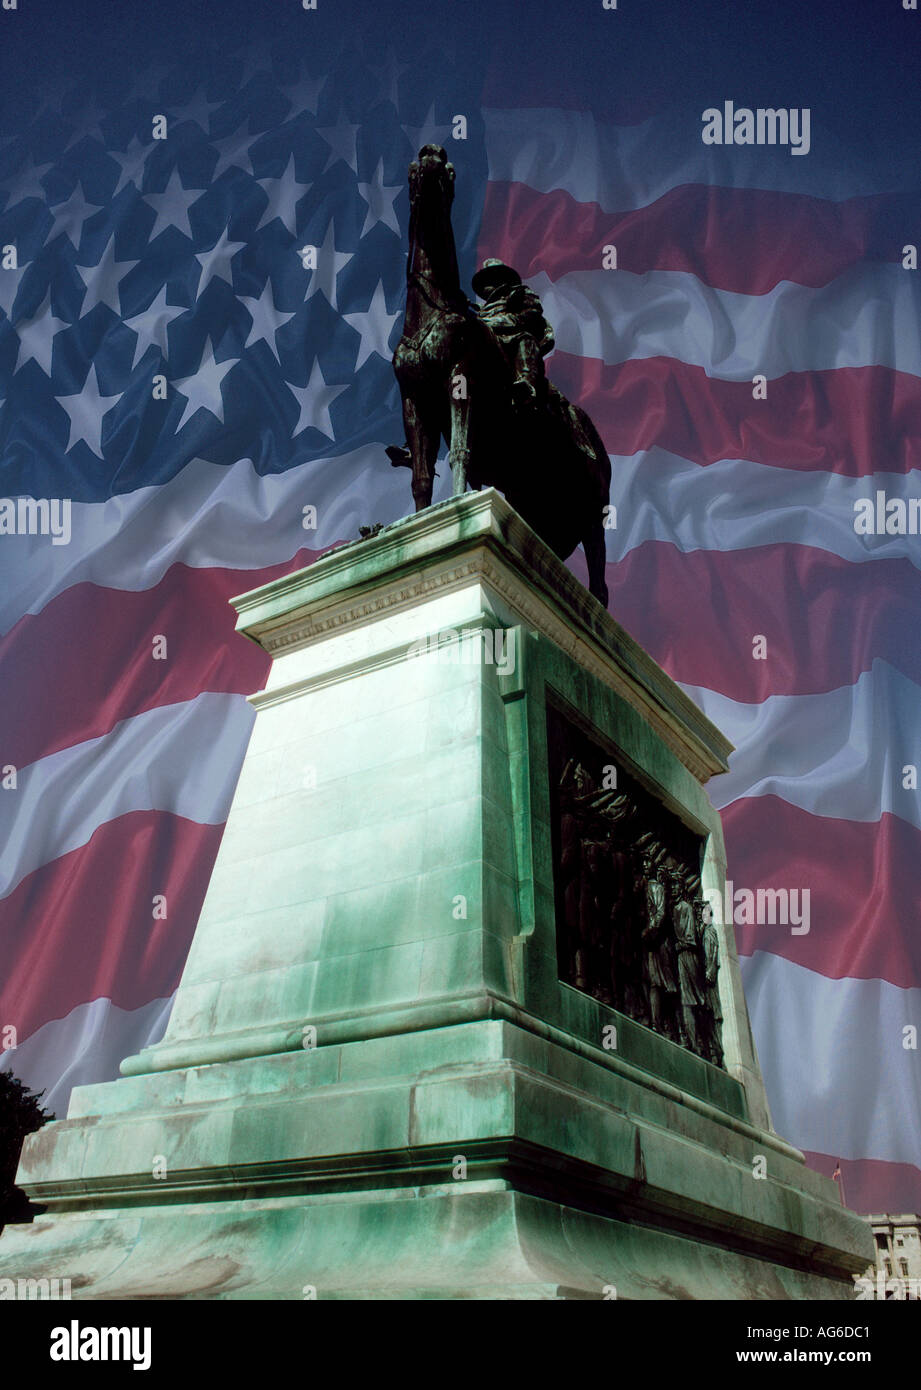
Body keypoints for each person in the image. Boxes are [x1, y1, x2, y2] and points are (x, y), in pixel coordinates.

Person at [471, 259, 598, 461]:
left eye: (490, 280)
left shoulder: (521, 294)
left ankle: (526, 385)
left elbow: (531, 316)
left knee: (525, 339)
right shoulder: (479, 312)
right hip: (490, 349)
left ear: (499, 280)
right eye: (483, 281)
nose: (485, 286)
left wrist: (496, 323)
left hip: (514, 343)